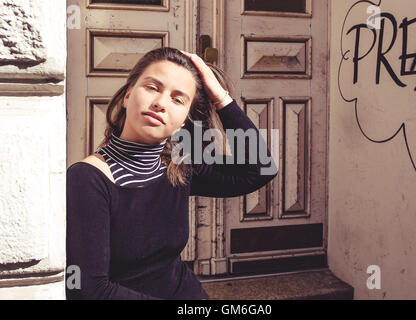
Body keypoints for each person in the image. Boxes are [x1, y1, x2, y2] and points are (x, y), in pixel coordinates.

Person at [66, 47, 277, 300]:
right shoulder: (87, 179)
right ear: (128, 96)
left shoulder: (178, 168)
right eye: (153, 87)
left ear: (183, 120)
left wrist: (221, 98)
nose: (160, 103)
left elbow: (260, 168)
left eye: (178, 99)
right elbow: (87, 290)